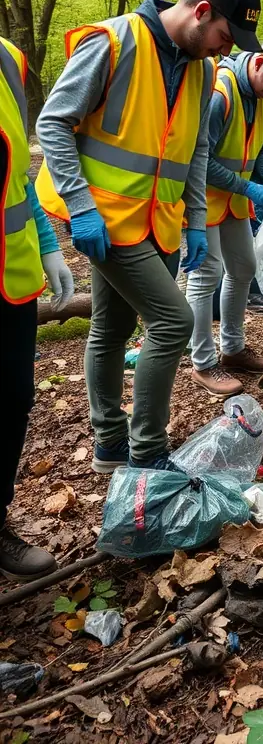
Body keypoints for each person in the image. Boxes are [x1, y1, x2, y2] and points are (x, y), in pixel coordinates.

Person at [36, 0, 262, 473]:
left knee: (112, 327)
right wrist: (80, 207)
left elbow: (197, 149)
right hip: (102, 216)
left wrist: (196, 218)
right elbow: (52, 122)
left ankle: (110, 448)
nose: (227, 50)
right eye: (226, 35)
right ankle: (147, 453)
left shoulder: (202, 68)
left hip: (156, 218)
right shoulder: (112, 42)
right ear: (202, 12)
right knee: (174, 321)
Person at [186, 33, 263, 396]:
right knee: (206, 274)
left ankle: (234, 349)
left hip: (234, 200)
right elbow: (198, 161)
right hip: (203, 200)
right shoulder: (219, 94)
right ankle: (203, 363)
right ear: (258, 64)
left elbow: (261, 148)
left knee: (243, 269)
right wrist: (250, 188)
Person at [1, 36, 75, 578]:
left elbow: (18, 174)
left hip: (13, 279)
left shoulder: (6, 58)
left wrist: (48, 243)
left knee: (12, 402)